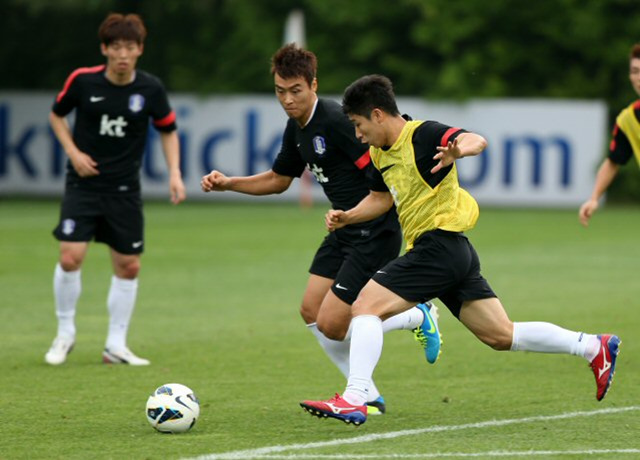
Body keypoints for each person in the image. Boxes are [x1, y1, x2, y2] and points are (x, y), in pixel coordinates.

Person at [300, 75, 621, 426]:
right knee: (501, 335)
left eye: (359, 125)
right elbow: (379, 200)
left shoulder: (421, 134)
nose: (358, 135)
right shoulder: (380, 155)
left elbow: (475, 139)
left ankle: (355, 397)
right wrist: (349, 216)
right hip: (452, 253)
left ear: (377, 115)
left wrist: (459, 150)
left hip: (438, 245)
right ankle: (592, 346)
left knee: (364, 306)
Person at [201, 44, 441, 414]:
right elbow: (280, 180)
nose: (287, 99)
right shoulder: (296, 128)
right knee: (311, 309)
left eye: (295, 90)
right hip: (343, 228)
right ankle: (368, 394)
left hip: (373, 229)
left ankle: (416, 314)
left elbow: (382, 177)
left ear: (313, 84)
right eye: (280, 91)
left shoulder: (336, 121)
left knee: (335, 323)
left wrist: (360, 213)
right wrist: (229, 183)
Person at [45, 13, 186, 366]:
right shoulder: (83, 81)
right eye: (116, 47)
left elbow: (168, 130)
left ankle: (115, 345)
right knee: (69, 256)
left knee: (129, 266)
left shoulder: (150, 89)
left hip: (124, 190)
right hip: (84, 185)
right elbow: (56, 115)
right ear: (105, 49)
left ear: (139, 50)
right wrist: (74, 153)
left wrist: (174, 173)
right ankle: (65, 334)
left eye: (130, 47)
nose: (123, 54)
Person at [579, 44, 640, 226]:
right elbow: (613, 161)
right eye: (635, 71)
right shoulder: (628, 120)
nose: (639, 78)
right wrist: (594, 198)